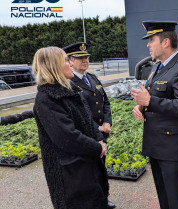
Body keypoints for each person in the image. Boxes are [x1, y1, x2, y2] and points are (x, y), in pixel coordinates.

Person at [131, 21, 178, 209]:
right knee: (163, 196)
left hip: (171, 147)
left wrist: (149, 101)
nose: (148, 44)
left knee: (175, 198)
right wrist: (141, 107)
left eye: (151, 40)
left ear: (166, 42)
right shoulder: (156, 68)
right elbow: (155, 98)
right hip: (155, 144)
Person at [32, 47, 109, 209]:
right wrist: (97, 147)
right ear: (54, 67)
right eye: (66, 61)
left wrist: (100, 140)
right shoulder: (47, 99)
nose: (71, 64)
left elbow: (88, 120)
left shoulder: (71, 91)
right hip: (71, 173)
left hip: (86, 165)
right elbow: (67, 137)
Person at [62, 42, 115, 209]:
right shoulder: (68, 84)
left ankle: (103, 198)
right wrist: (98, 128)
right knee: (88, 172)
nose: (85, 60)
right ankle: (93, 202)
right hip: (86, 134)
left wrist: (107, 122)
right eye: (80, 58)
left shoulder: (93, 78)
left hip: (101, 133)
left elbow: (105, 102)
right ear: (70, 61)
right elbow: (77, 114)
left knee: (101, 168)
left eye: (86, 57)